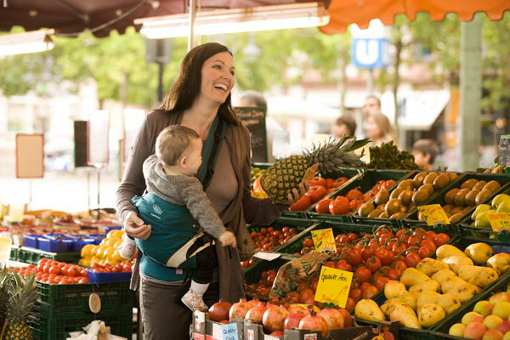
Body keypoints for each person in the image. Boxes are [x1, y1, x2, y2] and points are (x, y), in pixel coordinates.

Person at [116, 42, 304, 339]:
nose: (227, 76)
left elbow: (245, 208)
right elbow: (128, 188)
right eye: (217, 66)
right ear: (192, 72)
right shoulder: (158, 123)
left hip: (217, 275)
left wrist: (283, 203)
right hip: (162, 272)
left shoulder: (237, 135)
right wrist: (128, 217)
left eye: (232, 70)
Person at [119, 125, 237, 312]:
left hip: (144, 241)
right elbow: (204, 213)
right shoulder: (189, 186)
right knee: (207, 259)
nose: (201, 159)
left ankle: (128, 243)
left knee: (140, 208)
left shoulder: (151, 166)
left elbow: (153, 158)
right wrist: (221, 233)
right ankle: (194, 295)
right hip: (171, 252)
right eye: (199, 156)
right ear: (183, 162)